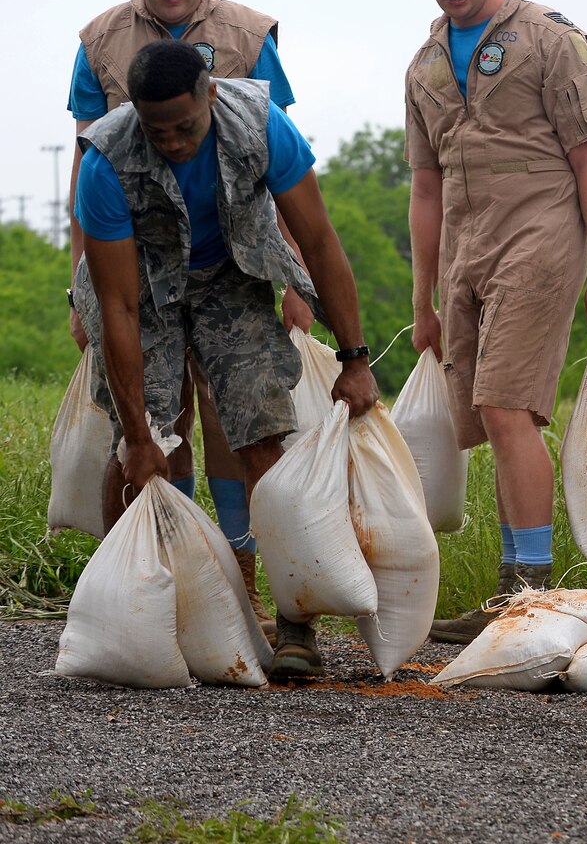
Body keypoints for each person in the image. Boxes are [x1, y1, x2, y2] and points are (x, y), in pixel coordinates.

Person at [73, 40, 378, 680]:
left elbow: (320, 241)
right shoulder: (105, 162)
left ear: (210, 96)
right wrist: (136, 435)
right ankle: (131, 610)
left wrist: (355, 357)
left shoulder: (262, 125)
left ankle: (295, 621)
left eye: (186, 126)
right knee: (144, 448)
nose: (175, 141)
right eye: (159, 133)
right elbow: (120, 307)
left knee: (262, 431)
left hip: (229, 270)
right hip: (143, 285)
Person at [66, 0, 311, 637]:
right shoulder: (101, 39)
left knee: (241, 416)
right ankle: (147, 594)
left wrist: (292, 276)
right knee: (148, 422)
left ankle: (242, 583)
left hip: (229, 256)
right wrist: (79, 284)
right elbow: (87, 159)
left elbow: (281, 155)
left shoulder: (248, 33)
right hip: (135, 260)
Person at [405, 0, 587, 644]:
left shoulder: (548, 40)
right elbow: (425, 187)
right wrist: (424, 298)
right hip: (467, 251)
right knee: (495, 422)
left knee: (505, 406)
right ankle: (512, 584)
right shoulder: (425, 64)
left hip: (541, 236)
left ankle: (527, 587)